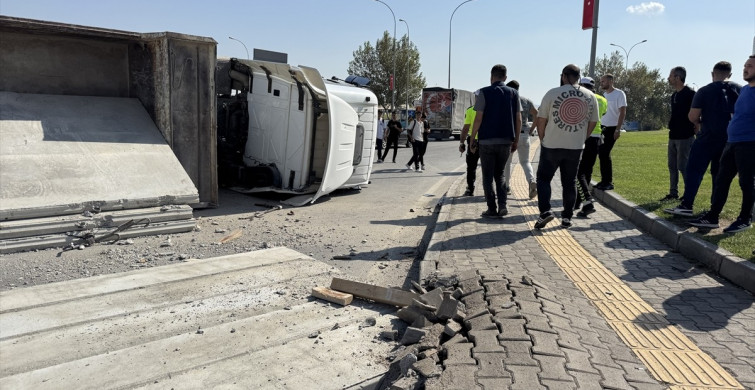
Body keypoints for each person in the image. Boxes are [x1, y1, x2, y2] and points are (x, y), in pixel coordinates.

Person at [665, 61, 741, 216]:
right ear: (730, 74)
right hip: (729, 139)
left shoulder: (705, 91)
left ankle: (687, 204)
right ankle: (714, 208)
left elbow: (692, 116)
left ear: (713, 74)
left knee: (694, 169)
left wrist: (699, 121)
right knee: (719, 174)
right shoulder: (740, 90)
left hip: (707, 137)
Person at [689, 55, 755, 233]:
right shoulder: (745, 91)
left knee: (746, 182)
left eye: (749, 66)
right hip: (732, 142)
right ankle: (713, 216)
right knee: (721, 180)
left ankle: (744, 218)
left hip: (749, 144)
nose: (745, 68)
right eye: (744, 65)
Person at [533, 64, 599, 229]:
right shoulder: (590, 96)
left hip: (552, 144)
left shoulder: (552, 93)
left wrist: (543, 138)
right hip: (575, 146)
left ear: (563, 76)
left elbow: (541, 119)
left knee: (543, 179)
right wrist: (582, 137)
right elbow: (593, 122)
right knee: (569, 182)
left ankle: (545, 212)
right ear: (579, 76)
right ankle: (567, 217)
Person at [469, 64, 521, 219]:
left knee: (487, 176)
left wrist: (472, 139)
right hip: (506, 141)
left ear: (491, 77)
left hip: (486, 142)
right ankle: (503, 206)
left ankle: (491, 208)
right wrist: (516, 140)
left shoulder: (484, 92)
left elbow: (478, 118)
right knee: (500, 175)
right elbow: (518, 119)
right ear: (505, 77)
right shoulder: (513, 93)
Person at [661, 66, 696, 202]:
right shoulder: (674, 95)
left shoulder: (690, 94)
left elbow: (696, 113)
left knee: (683, 166)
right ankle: (673, 193)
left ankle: (688, 195)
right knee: (672, 166)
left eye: (670, 75)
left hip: (685, 136)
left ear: (678, 77)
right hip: (673, 136)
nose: (668, 78)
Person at [575, 76, 607, 217]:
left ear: (582, 84)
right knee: (587, 171)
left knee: (577, 172)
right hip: (596, 138)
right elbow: (603, 113)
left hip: (583, 136)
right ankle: (579, 202)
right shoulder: (602, 99)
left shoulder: (581, 96)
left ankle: (587, 201)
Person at [503, 80, 538, 199]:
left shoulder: (507, 100)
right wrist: (532, 129)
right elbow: (536, 114)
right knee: (525, 162)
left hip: (511, 135)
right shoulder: (527, 101)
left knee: (508, 162)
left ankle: (506, 187)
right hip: (525, 135)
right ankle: (531, 181)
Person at [595, 74, 626, 191]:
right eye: (601, 81)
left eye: (603, 81)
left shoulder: (619, 94)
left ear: (610, 81)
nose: (601, 83)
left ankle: (609, 182)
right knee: (601, 154)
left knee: (605, 152)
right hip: (602, 127)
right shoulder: (604, 95)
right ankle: (604, 180)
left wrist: (618, 129)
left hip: (613, 128)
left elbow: (622, 112)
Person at [458, 105, 479, 196]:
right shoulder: (490, 108)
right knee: (489, 167)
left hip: (473, 141)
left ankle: (470, 189)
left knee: (471, 166)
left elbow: (466, 127)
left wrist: (461, 143)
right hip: (487, 142)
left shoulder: (471, 110)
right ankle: (489, 191)